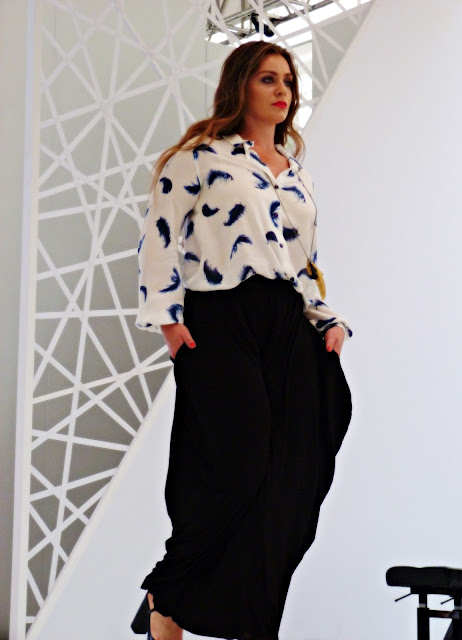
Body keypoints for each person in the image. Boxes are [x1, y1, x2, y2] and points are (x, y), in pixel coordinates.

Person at [135, 40, 352, 640]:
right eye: (267, 79)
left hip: (286, 321)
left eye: (288, 81)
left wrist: (326, 319)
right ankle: (167, 591)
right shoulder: (198, 158)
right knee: (236, 462)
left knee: (293, 475)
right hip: (220, 317)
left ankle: (244, 617)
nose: (282, 91)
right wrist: (170, 322)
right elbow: (160, 238)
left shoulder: (296, 173)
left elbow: (303, 263)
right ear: (240, 86)